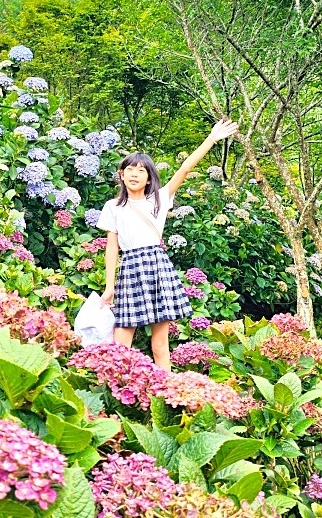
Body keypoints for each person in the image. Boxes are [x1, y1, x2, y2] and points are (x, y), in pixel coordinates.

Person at [96, 119, 239, 370]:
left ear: (150, 179)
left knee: (160, 345)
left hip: (157, 266)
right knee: (120, 346)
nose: (135, 174)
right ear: (121, 174)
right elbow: (111, 248)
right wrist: (109, 287)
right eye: (130, 169)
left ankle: (165, 393)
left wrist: (212, 139)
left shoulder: (159, 199)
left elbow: (184, 169)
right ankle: (116, 394)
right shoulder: (113, 207)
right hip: (130, 269)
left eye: (142, 170)